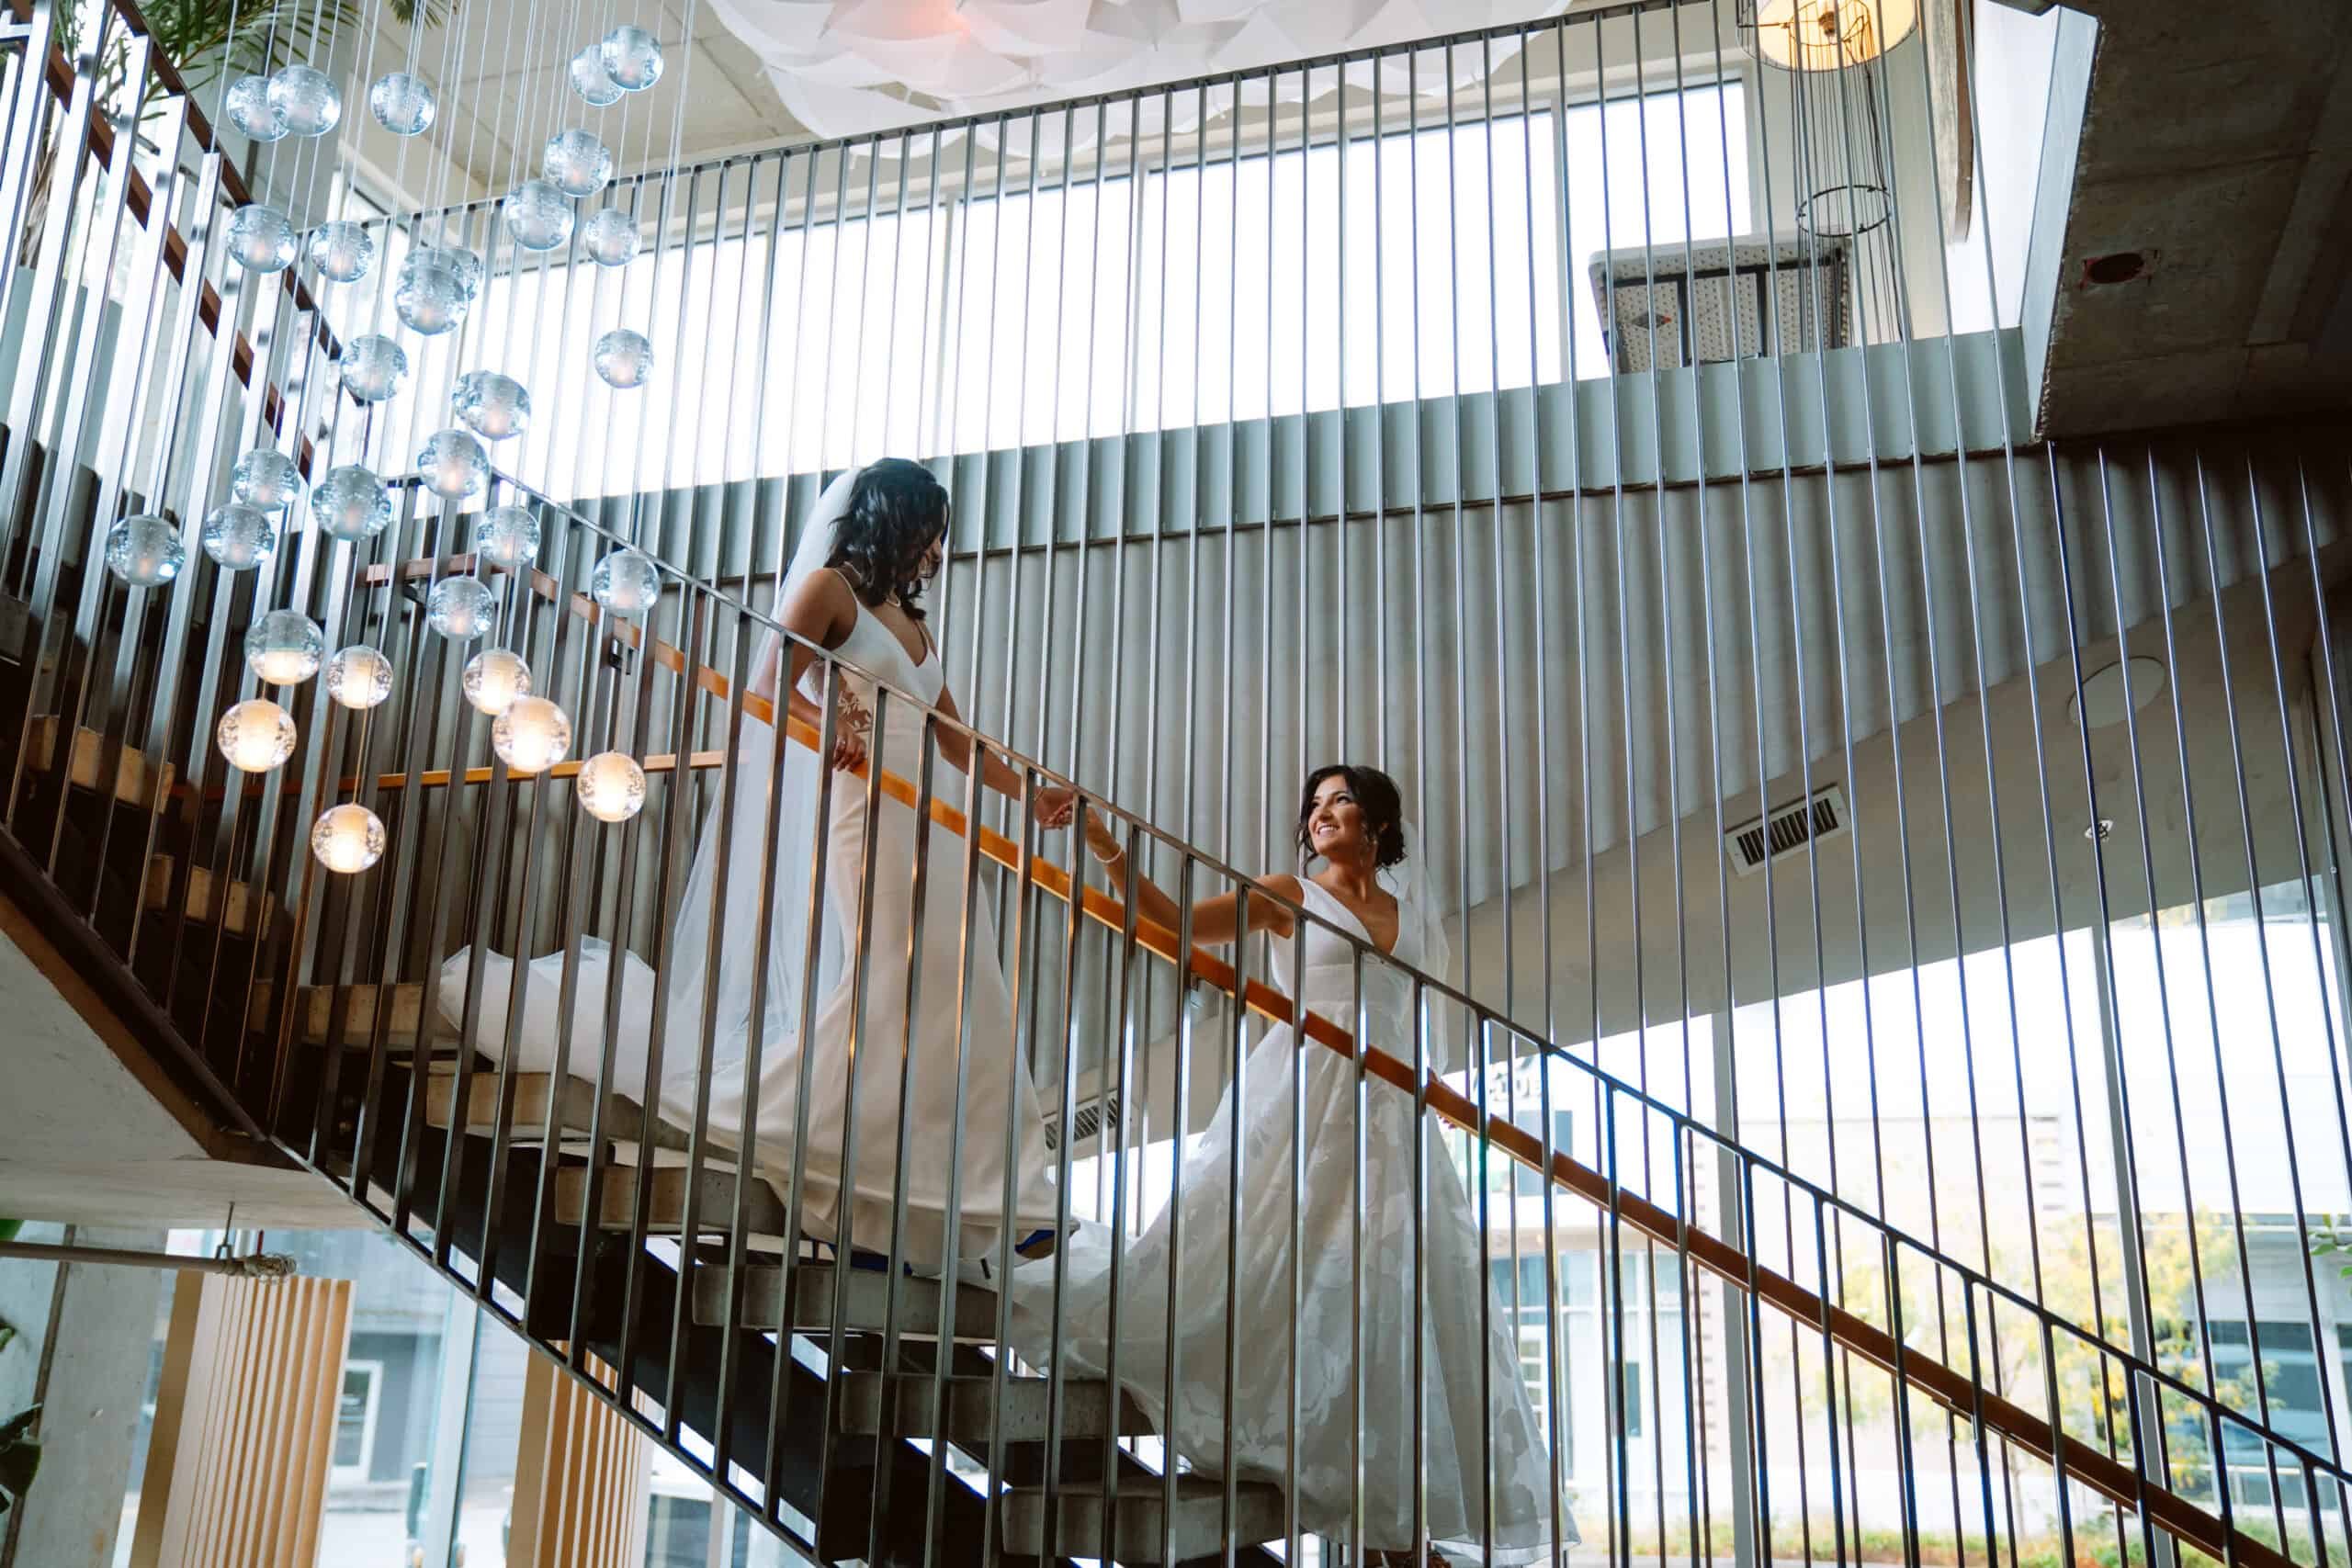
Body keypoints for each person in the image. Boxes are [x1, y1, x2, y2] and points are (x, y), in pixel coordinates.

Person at [439, 459, 1071, 1275]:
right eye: (932, 526)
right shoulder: (829, 590)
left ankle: (1006, 1189)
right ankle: (847, 1167)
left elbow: (955, 736)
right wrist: (830, 718)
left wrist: (1029, 795)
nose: (938, 547)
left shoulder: (913, 625)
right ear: (895, 516)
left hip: (933, 824)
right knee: (883, 985)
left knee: (968, 989)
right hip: (863, 812)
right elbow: (766, 689)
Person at [1012, 764, 1567, 1563]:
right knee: (1280, 1277)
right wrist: (1104, 843)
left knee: (1387, 1307)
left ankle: (1394, 1533)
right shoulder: (1289, 894)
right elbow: (1169, 925)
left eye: (1338, 800)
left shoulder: (1411, 915)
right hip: (1304, 1105)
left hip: (1392, 1124)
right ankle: (1391, 1538)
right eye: (1312, 806)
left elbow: (1416, 1024)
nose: (1319, 815)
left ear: (1377, 821)